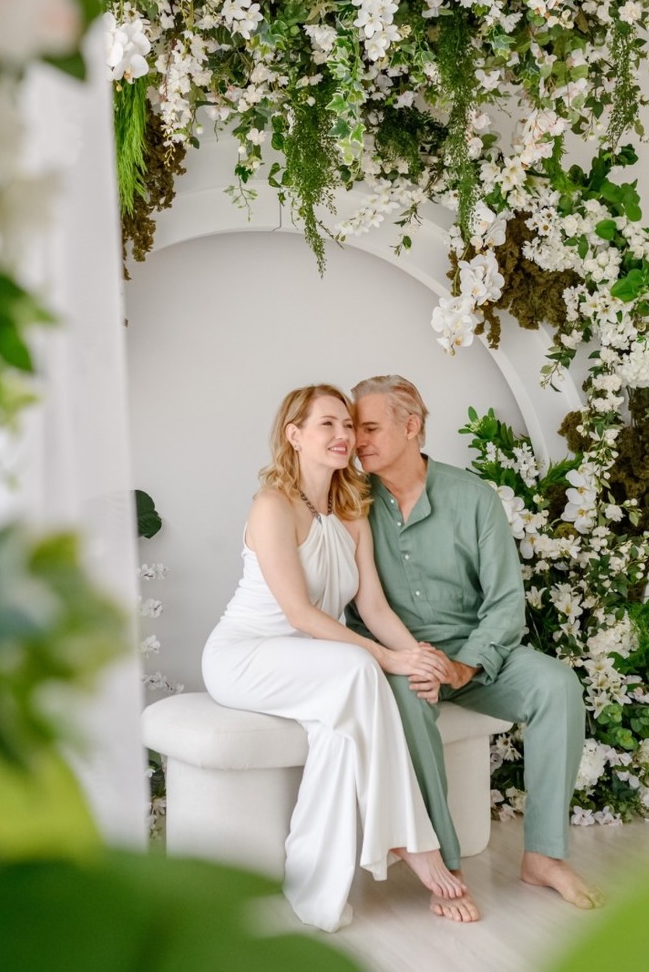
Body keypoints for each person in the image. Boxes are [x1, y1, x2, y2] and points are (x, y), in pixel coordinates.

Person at [202, 384, 474, 933]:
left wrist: (417, 656)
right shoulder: (272, 506)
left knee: (339, 736)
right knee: (359, 669)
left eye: (347, 425)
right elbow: (301, 614)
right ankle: (409, 839)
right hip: (245, 658)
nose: (344, 435)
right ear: (294, 435)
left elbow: (371, 605)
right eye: (327, 424)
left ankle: (311, 892)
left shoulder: (350, 508)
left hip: (311, 665)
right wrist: (386, 660)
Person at [350, 374, 603, 923]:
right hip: (402, 658)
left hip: (478, 655)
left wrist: (464, 667)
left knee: (557, 685)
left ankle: (544, 856)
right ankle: (446, 862)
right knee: (410, 691)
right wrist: (406, 659)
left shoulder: (472, 498)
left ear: (411, 425)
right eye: (354, 428)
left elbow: (506, 602)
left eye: (370, 427)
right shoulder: (351, 504)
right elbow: (351, 606)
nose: (358, 439)